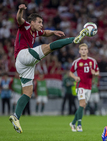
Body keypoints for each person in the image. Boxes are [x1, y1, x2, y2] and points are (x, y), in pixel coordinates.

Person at [9, 4, 89, 133]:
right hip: (22, 55)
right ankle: (74, 40)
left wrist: (53, 32)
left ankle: (16, 116)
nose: (41, 24)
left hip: (23, 65)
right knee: (47, 47)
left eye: (42, 22)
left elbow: (45, 32)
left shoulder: (36, 31)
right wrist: (20, 10)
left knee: (28, 93)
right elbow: (19, 19)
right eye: (39, 22)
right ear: (32, 22)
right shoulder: (26, 26)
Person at [69, 43, 99, 132]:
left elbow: (97, 72)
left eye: (85, 49)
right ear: (79, 51)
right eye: (81, 49)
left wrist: (95, 73)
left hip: (89, 87)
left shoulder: (92, 61)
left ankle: (73, 123)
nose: (83, 51)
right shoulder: (77, 62)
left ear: (87, 50)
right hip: (80, 85)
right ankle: (79, 125)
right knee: (82, 104)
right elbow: (70, 72)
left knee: (83, 106)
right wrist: (75, 77)